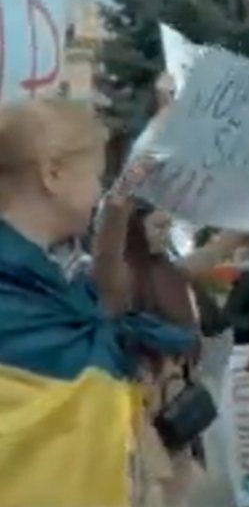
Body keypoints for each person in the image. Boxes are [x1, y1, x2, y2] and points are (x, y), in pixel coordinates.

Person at [0, 98, 192, 506]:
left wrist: (147, 154)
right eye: (96, 176)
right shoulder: (22, 292)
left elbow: (108, 282)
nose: (100, 191)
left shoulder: (64, 283)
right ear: (53, 173)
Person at [93, 202, 246, 507]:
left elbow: (218, 250)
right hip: (141, 403)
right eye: (158, 227)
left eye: (167, 227)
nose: (164, 235)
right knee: (150, 490)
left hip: (177, 400)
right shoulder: (121, 281)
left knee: (178, 487)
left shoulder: (172, 271)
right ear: (136, 231)